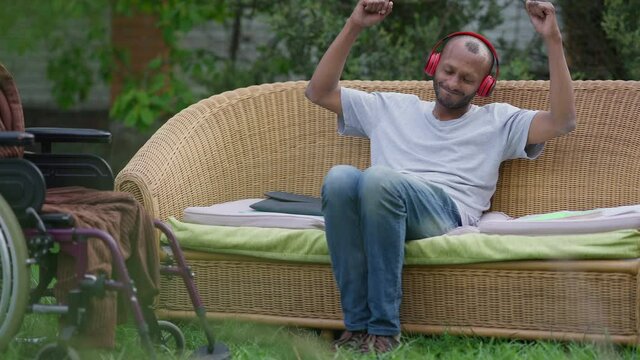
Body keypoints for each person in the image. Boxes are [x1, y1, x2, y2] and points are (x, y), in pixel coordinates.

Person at [304, 0, 576, 354]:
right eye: (448, 71)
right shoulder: (393, 107)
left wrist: (553, 39)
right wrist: (354, 25)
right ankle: (356, 328)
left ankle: (384, 332)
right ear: (434, 64)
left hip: (443, 212)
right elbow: (319, 92)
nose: (452, 83)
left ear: (484, 85)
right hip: (382, 198)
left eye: (467, 79)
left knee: (378, 180)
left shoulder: (498, 121)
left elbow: (562, 121)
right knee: (339, 178)